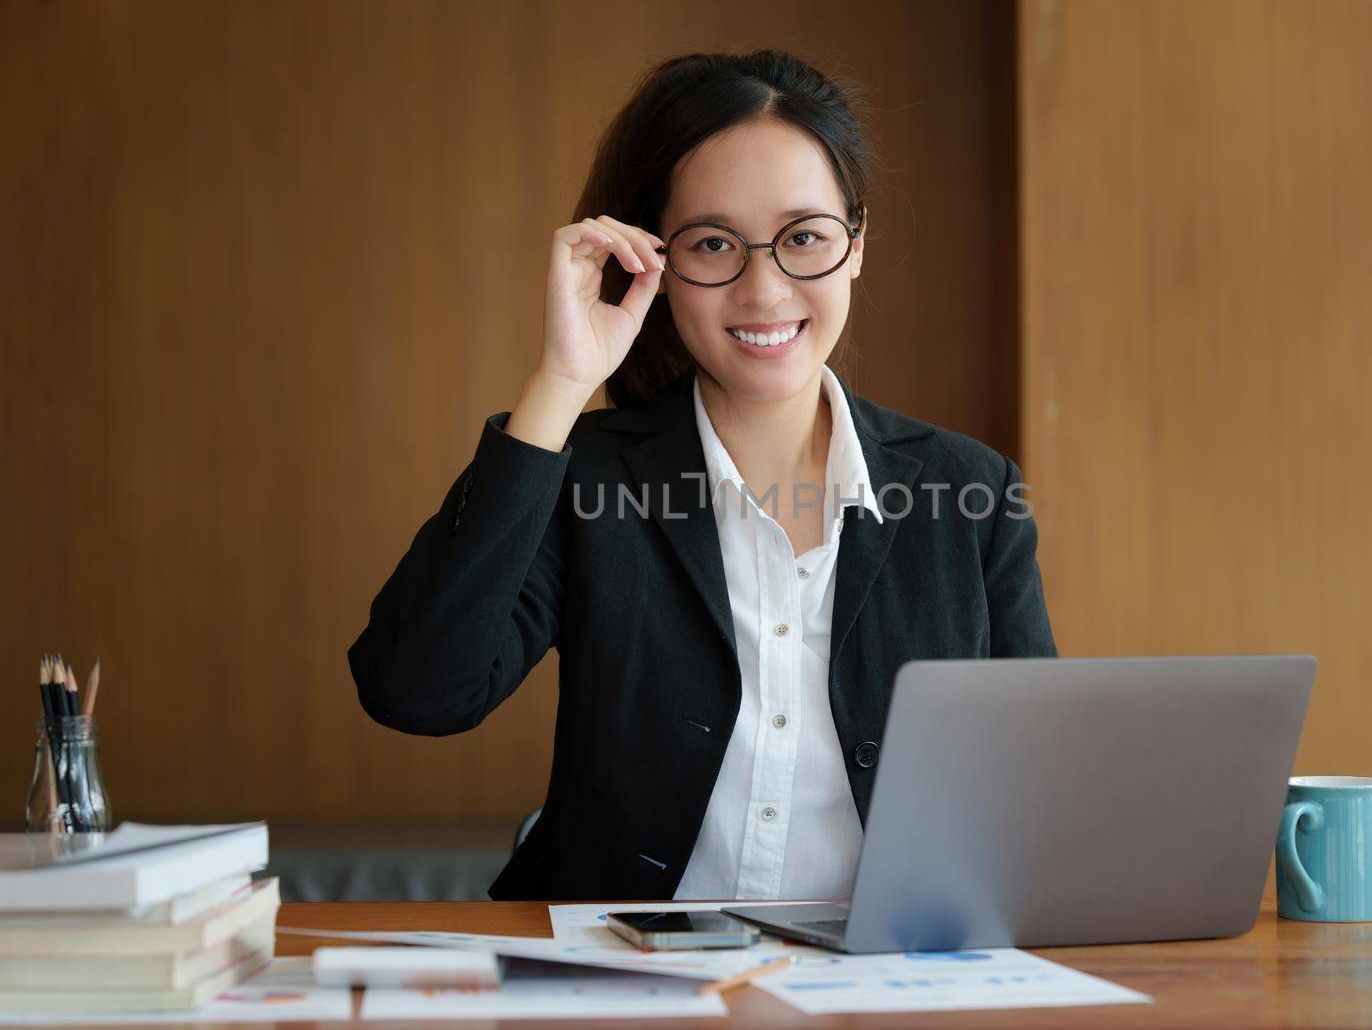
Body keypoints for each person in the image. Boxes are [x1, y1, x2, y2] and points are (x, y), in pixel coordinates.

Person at [348, 49, 1056, 902]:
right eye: (714, 243)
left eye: (804, 238)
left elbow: (1035, 785)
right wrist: (562, 386)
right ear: (653, 261)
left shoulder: (968, 491)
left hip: (884, 977)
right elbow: (418, 690)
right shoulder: (587, 477)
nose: (764, 290)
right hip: (621, 977)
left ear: (857, 245)